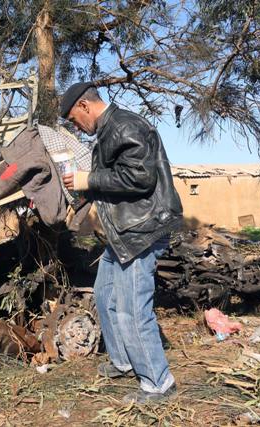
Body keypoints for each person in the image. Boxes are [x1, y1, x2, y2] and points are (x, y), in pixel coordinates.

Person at [59, 82, 183, 404]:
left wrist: (91, 179)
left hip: (142, 230)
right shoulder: (107, 131)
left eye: (74, 119)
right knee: (105, 294)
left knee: (131, 307)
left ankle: (158, 383)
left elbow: (141, 178)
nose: (76, 126)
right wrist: (82, 191)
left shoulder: (124, 125)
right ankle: (124, 361)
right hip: (124, 232)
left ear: (85, 107)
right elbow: (117, 180)